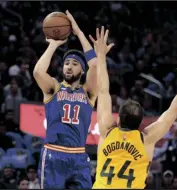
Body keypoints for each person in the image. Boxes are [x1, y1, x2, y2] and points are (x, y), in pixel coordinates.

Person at [90, 26, 177, 188]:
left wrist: (101, 55)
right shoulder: (146, 139)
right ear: (140, 124)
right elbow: (172, 113)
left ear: (118, 120)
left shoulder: (107, 130)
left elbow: (103, 91)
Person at [33, 10, 112, 189]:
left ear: (82, 71)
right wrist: (53, 45)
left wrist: (79, 33)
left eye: (74, 64)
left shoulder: (89, 92)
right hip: (53, 154)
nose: (69, 67)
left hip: (78, 156)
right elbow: (38, 72)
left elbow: (94, 64)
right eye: (67, 63)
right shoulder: (53, 88)